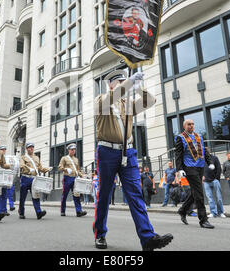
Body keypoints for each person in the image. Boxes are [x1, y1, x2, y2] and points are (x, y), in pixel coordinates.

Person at [93, 69, 173, 251]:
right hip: (106, 151)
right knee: (104, 194)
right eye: (120, 82)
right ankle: (100, 234)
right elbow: (111, 98)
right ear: (111, 85)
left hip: (127, 152)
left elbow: (150, 101)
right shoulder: (101, 101)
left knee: (135, 194)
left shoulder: (126, 104)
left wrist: (139, 88)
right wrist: (129, 82)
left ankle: (147, 238)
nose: (124, 84)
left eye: (125, 81)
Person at [174, 119, 214, 229]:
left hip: (200, 166)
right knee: (199, 193)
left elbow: (204, 150)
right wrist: (180, 169)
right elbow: (178, 154)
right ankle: (203, 220)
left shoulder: (199, 136)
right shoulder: (180, 137)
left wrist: (209, 162)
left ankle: (182, 210)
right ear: (184, 126)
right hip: (189, 167)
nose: (191, 126)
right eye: (189, 124)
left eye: (192, 124)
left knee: (195, 192)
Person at [18, 143, 50, 220]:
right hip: (26, 178)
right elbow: (21, 165)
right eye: (29, 147)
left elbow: (40, 168)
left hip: (34, 178)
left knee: (36, 195)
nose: (31, 149)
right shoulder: (23, 157)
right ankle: (21, 212)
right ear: (26, 149)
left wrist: (46, 169)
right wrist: (28, 168)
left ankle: (38, 212)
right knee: (23, 197)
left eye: (32, 147)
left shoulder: (36, 158)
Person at [58, 143, 87, 217]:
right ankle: (62, 211)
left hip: (75, 178)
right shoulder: (64, 158)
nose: (73, 151)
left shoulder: (76, 159)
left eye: (74, 150)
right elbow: (59, 167)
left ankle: (78, 211)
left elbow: (78, 170)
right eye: (72, 150)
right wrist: (65, 169)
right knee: (65, 195)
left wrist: (82, 175)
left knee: (76, 195)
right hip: (67, 177)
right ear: (68, 150)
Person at [203, 150, 225, 218]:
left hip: (215, 180)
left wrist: (216, 178)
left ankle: (220, 212)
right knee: (210, 198)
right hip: (206, 181)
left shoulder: (214, 158)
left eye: (205, 152)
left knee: (219, 198)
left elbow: (219, 168)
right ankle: (213, 212)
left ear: (208, 152)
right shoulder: (202, 160)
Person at [0, 145, 16, 213]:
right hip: (0, 178)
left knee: (9, 193)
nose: (3, 151)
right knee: (0, 195)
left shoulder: (8, 158)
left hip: (8, 177)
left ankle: (10, 206)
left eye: (4, 150)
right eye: (2, 149)